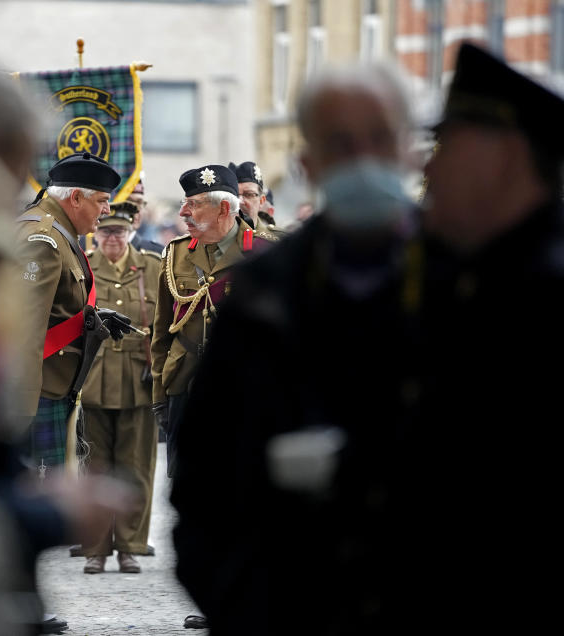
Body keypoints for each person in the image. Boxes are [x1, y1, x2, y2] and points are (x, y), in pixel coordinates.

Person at [170, 61, 418, 634]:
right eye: (339, 143)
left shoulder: (474, 280)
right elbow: (204, 484)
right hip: (291, 597)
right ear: (308, 165)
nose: (362, 156)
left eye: (379, 138)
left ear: (410, 152)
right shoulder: (263, 292)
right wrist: (240, 603)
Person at [409, 42, 564, 633]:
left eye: (447, 147)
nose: (429, 168)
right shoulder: (456, 274)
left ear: (509, 156)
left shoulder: (541, 292)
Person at [14, 152, 132, 478]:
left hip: (51, 389)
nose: (107, 210)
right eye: (102, 201)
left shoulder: (59, 233)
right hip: (37, 398)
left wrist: (88, 319)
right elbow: (23, 329)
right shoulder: (45, 240)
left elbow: (53, 307)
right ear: (76, 198)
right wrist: (21, 410)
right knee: (44, 501)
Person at [149, 164, 256, 480]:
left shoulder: (264, 251)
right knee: (189, 490)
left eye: (194, 204)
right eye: (185, 202)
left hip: (246, 391)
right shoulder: (176, 254)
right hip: (186, 387)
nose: (183, 212)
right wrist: (160, 395)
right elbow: (162, 331)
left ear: (224, 209)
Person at [77, 201, 161, 575]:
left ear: (130, 233)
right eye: (106, 231)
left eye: (119, 232)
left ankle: (130, 545)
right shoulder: (82, 269)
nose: (112, 238)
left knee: (136, 467)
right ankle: (95, 548)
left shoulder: (153, 269)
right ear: (96, 234)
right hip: (92, 380)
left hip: (138, 382)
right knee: (93, 467)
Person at [228, 160, 287, 247]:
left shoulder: (279, 242)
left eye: (248, 194)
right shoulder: (209, 241)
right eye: (234, 194)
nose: (240, 201)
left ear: (261, 201)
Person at [127, 179, 164, 254]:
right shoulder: (97, 248)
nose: (137, 210)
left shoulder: (158, 253)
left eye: (139, 203)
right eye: (129, 203)